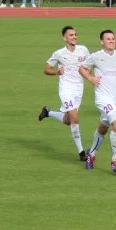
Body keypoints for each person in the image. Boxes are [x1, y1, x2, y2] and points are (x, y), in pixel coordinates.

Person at [79, 30, 116, 174]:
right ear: (102, 42)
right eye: (108, 39)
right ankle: (115, 160)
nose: (111, 41)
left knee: (103, 128)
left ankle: (92, 153)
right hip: (103, 98)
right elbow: (82, 69)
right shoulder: (95, 57)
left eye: (113, 38)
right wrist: (90, 78)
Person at [38, 26, 90, 161]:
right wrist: (57, 72)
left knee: (68, 120)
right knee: (75, 117)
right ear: (64, 38)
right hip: (66, 89)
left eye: (75, 35)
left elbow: (89, 65)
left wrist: (89, 73)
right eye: (71, 35)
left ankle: (47, 112)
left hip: (78, 89)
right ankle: (81, 152)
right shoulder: (59, 53)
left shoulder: (83, 50)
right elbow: (46, 69)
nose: (74, 37)